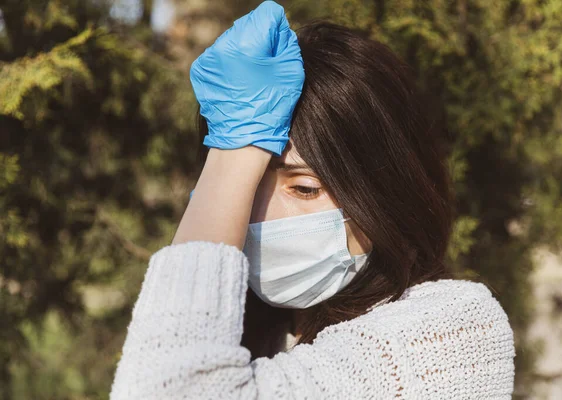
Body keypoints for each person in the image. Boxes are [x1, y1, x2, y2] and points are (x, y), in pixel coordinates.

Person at [110, 1, 516, 398]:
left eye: (303, 188)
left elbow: (172, 388)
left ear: (385, 192)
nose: (261, 219)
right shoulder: (246, 336)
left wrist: (236, 150)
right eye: (246, 190)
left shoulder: (452, 331)